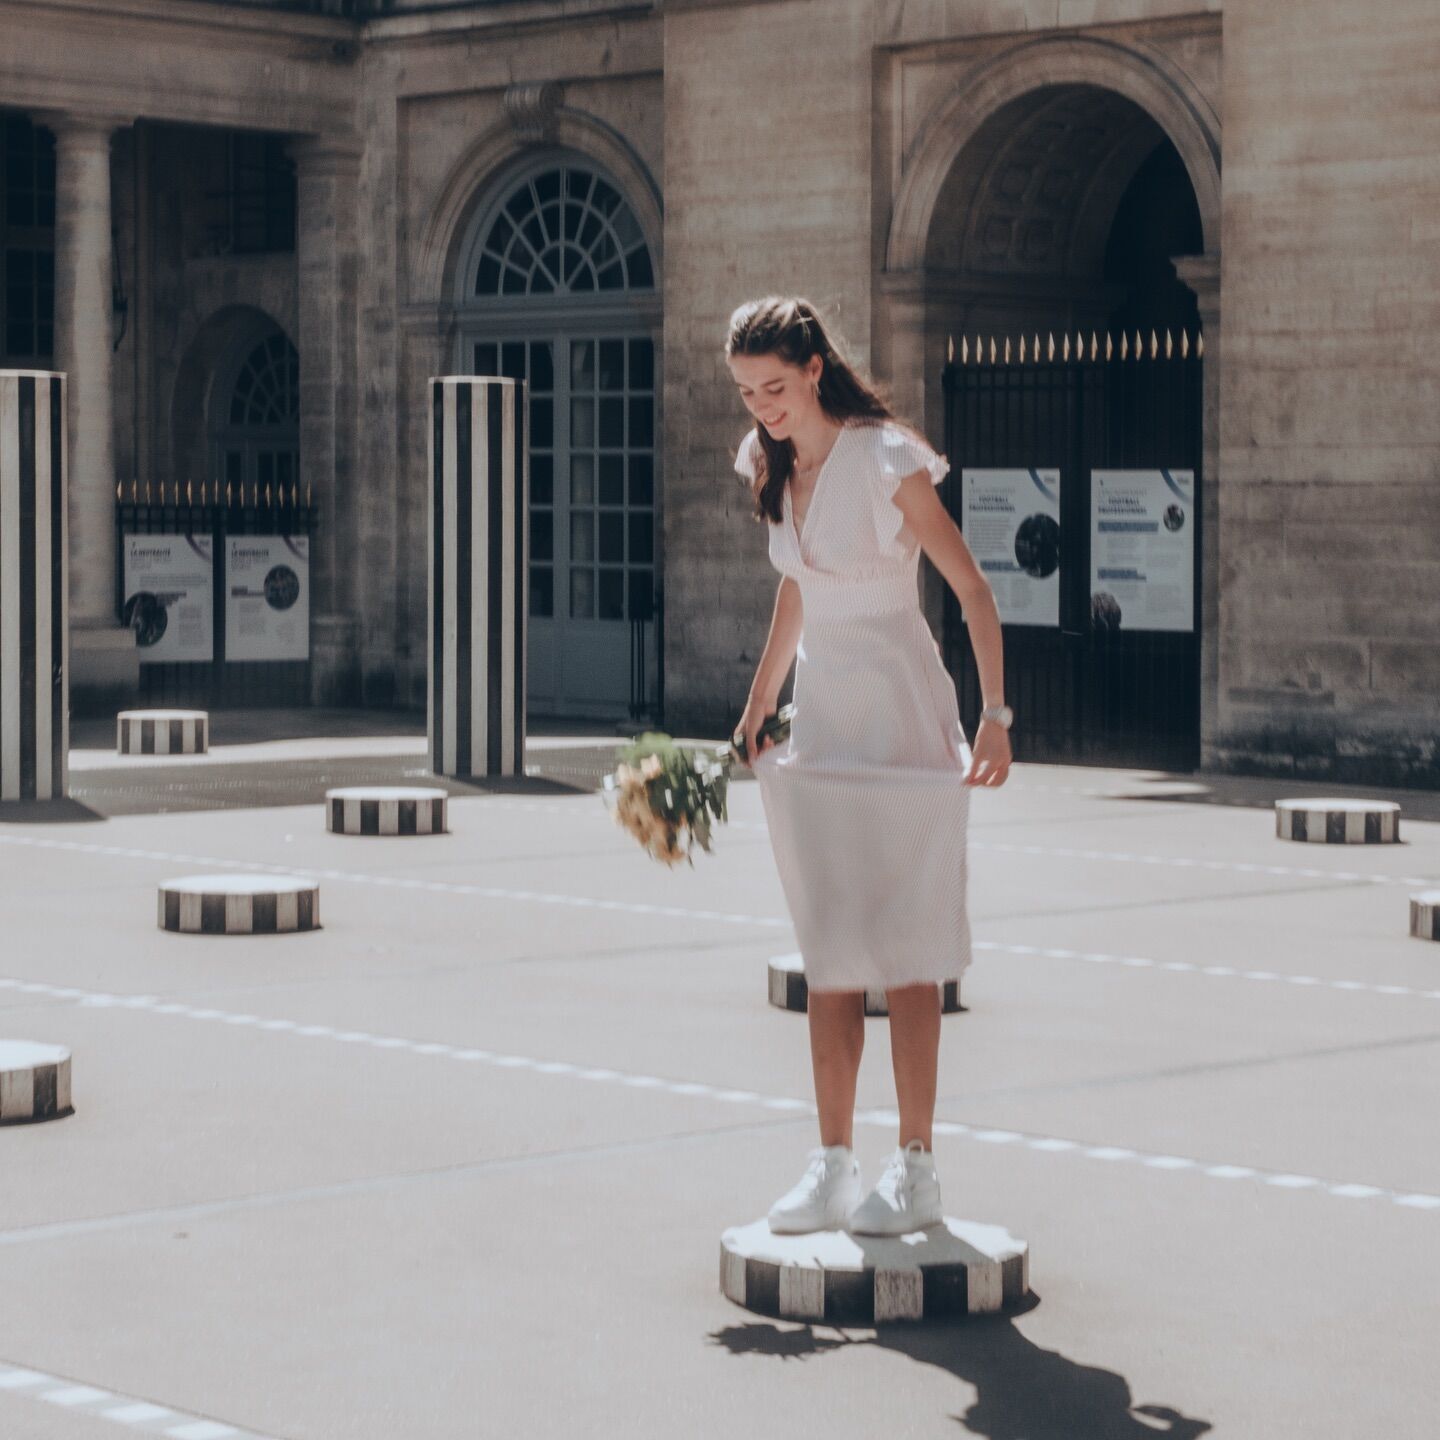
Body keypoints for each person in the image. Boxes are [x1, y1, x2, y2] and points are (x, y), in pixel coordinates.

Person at [727, 296, 1012, 1236]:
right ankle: (833, 1164)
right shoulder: (770, 464)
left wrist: (994, 719)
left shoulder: (884, 458)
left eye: (774, 385)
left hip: (897, 710)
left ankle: (918, 1167)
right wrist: (760, 701)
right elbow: (797, 592)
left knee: (910, 949)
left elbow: (972, 592)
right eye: (746, 391)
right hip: (827, 723)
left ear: (815, 369)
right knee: (830, 947)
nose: (762, 405)